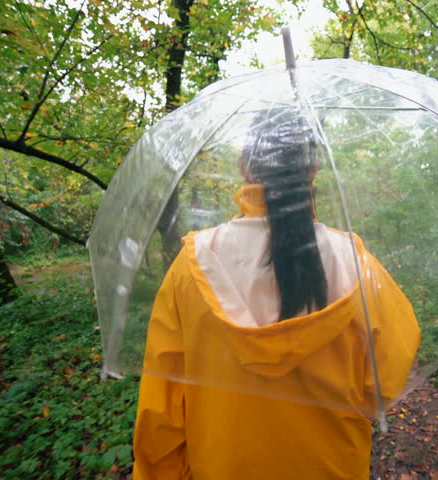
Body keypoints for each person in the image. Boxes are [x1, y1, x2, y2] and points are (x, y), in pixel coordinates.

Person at [132, 109, 420, 479]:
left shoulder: (191, 265)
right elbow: (385, 384)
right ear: (313, 169)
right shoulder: (356, 263)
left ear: (243, 166)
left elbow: (162, 407)